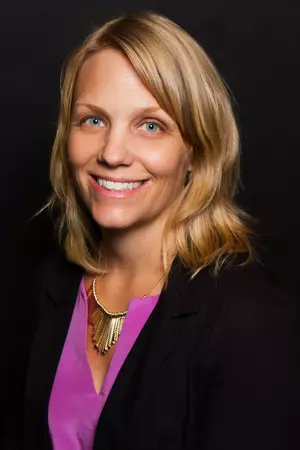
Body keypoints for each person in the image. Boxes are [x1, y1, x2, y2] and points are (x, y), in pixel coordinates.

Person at [21, 10, 299, 450]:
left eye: (150, 126)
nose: (113, 153)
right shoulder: (48, 287)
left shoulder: (249, 322)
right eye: (93, 120)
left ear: (197, 151)